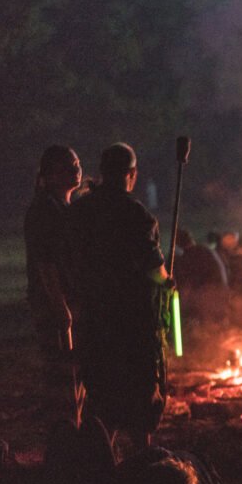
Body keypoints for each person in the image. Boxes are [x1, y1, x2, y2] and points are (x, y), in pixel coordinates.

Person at [70, 143, 172, 449]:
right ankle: (142, 468)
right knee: (140, 397)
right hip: (132, 323)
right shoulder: (136, 215)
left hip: (92, 317)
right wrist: (168, 282)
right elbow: (155, 270)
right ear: (132, 174)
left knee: (101, 394)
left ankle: (98, 466)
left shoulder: (80, 211)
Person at [24, 146, 82, 418]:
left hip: (70, 300)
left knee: (76, 371)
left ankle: (76, 428)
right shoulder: (44, 211)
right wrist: (61, 308)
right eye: (67, 165)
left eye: (77, 163)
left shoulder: (67, 207)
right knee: (61, 375)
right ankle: (64, 435)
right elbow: (45, 263)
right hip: (54, 305)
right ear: (50, 174)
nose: (76, 169)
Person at [173, 228, 229, 331]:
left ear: (178, 244)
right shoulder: (205, 249)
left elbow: (189, 284)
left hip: (211, 298)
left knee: (207, 328)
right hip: (222, 293)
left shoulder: (190, 256)